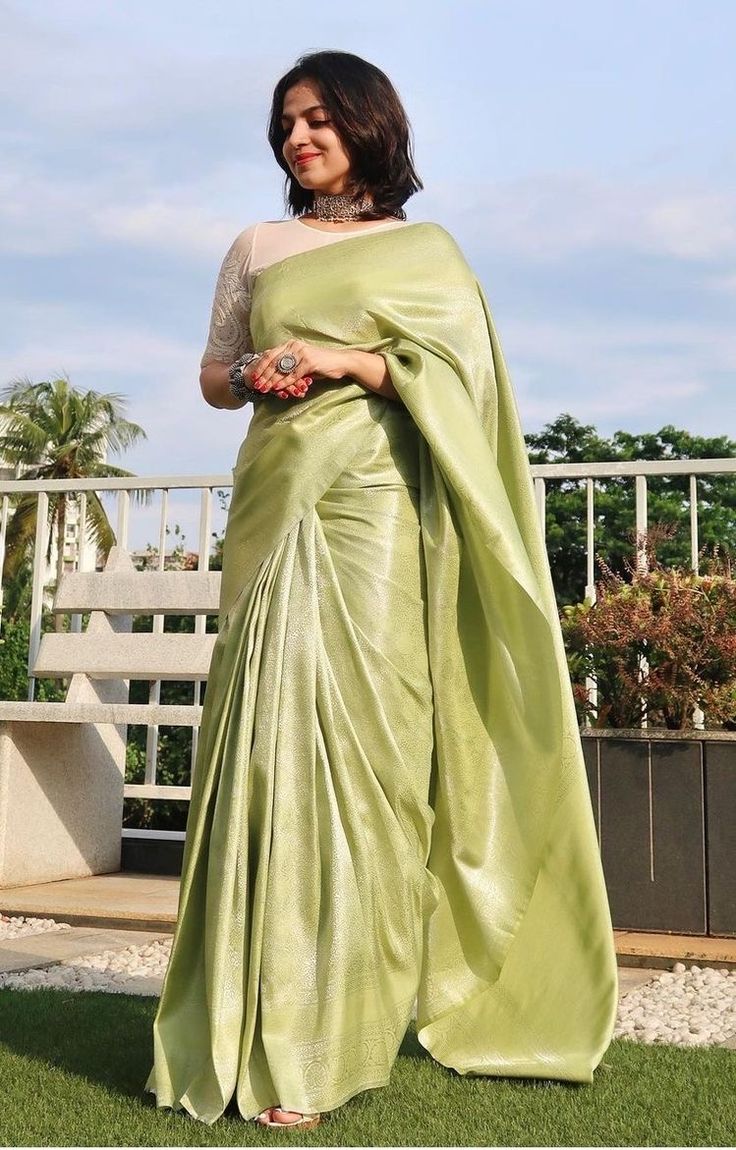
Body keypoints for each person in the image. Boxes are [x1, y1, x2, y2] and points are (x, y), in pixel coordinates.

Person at [144, 50, 618, 1130]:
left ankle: (336, 1034)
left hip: (373, 515)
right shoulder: (256, 245)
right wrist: (257, 373)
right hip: (274, 502)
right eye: (284, 126)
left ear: (368, 125)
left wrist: (357, 363)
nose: (297, 139)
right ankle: (245, 1014)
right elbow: (213, 373)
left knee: (367, 755)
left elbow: (465, 382)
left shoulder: (425, 252)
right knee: (260, 748)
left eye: (317, 119)